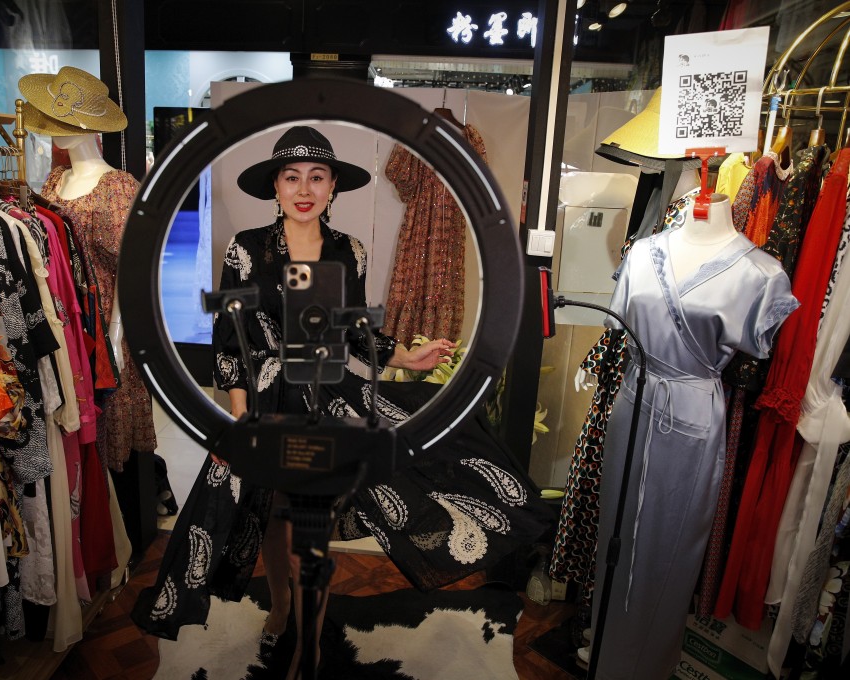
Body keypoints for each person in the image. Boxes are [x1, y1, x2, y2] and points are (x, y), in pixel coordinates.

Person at [132, 125, 553, 678]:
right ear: (275, 187)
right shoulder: (248, 248)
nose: (304, 188)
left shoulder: (347, 252)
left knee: (315, 520)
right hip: (265, 406)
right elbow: (230, 337)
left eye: (316, 177)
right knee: (279, 521)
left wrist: (405, 357)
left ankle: (309, 632)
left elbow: (355, 333)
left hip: (329, 402)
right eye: (291, 177)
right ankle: (284, 607)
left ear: (332, 186)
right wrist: (236, 415)